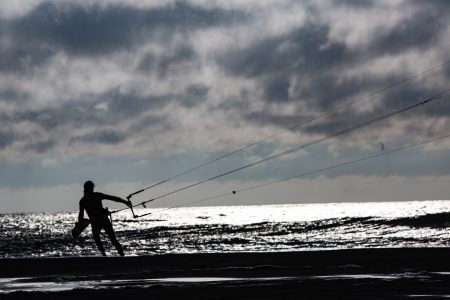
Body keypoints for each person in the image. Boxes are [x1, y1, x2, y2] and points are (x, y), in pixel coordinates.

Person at [78, 180, 131, 256]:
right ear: (87, 189)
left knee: (111, 239)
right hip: (98, 221)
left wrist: (125, 202)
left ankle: (119, 254)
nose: (91, 190)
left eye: (92, 188)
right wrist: (79, 224)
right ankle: (105, 254)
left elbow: (112, 198)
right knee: (99, 239)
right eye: (90, 188)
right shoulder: (84, 200)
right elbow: (81, 214)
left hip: (101, 221)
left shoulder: (88, 198)